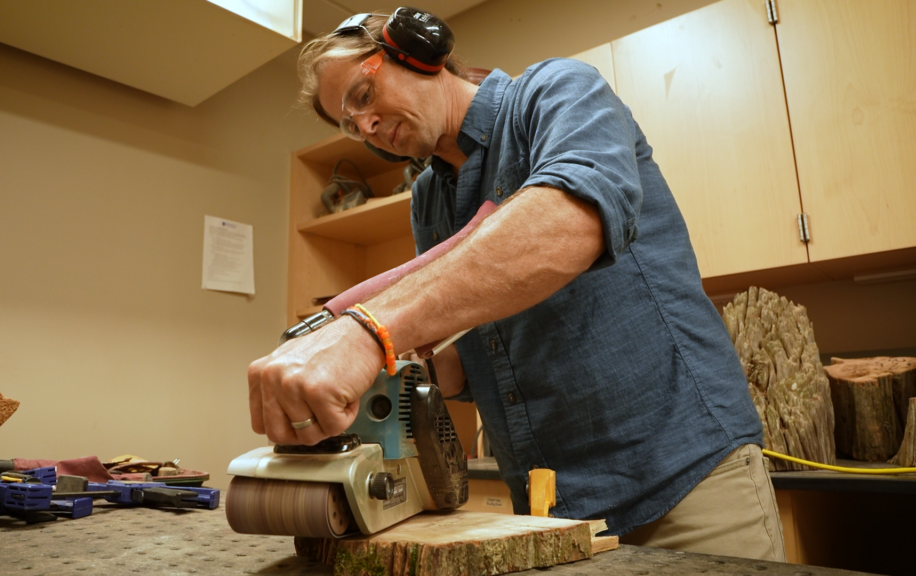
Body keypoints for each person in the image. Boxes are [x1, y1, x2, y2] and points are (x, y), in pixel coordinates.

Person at [248, 8, 785, 561]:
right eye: (346, 121)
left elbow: (570, 222)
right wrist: (361, 372)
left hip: (682, 478)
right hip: (551, 505)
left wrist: (365, 332)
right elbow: (465, 353)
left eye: (362, 96)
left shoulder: (556, 92)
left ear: (417, 48)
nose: (363, 127)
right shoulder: (430, 197)